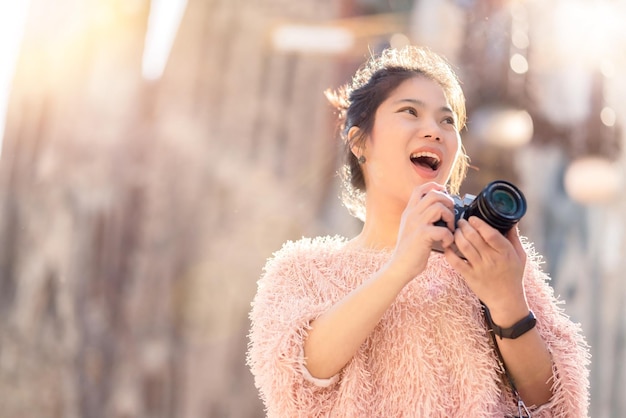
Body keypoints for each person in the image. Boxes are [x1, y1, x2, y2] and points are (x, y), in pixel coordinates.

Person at [247, 46, 589, 417]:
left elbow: (559, 403)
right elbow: (294, 378)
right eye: (410, 112)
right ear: (360, 142)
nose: (435, 131)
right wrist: (400, 267)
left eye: (447, 122)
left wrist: (508, 302)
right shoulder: (301, 270)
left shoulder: (488, 261)